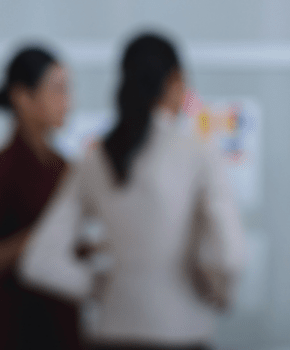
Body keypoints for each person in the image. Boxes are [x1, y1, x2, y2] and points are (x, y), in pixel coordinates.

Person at [19, 33, 247, 350]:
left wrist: (105, 287)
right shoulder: (198, 153)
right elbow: (230, 257)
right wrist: (218, 293)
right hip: (183, 332)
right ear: (176, 81)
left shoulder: (96, 157)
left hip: (111, 331)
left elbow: (39, 261)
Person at [0, 46, 83, 350]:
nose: (67, 102)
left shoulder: (64, 167)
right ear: (22, 97)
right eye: (57, 90)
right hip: (16, 322)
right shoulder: (5, 169)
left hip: (61, 318)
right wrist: (42, 238)